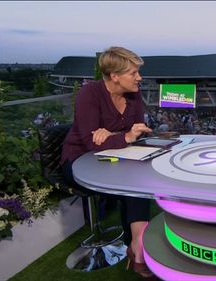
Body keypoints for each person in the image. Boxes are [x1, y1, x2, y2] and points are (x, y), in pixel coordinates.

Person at [61, 46, 155, 279]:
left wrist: (113, 135)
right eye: (133, 73)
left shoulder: (134, 94)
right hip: (79, 162)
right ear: (115, 76)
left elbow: (139, 130)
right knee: (131, 182)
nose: (139, 78)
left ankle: (137, 247)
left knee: (136, 182)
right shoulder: (89, 94)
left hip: (115, 159)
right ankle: (137, 247)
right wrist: (124, 136)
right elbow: (91, 143)